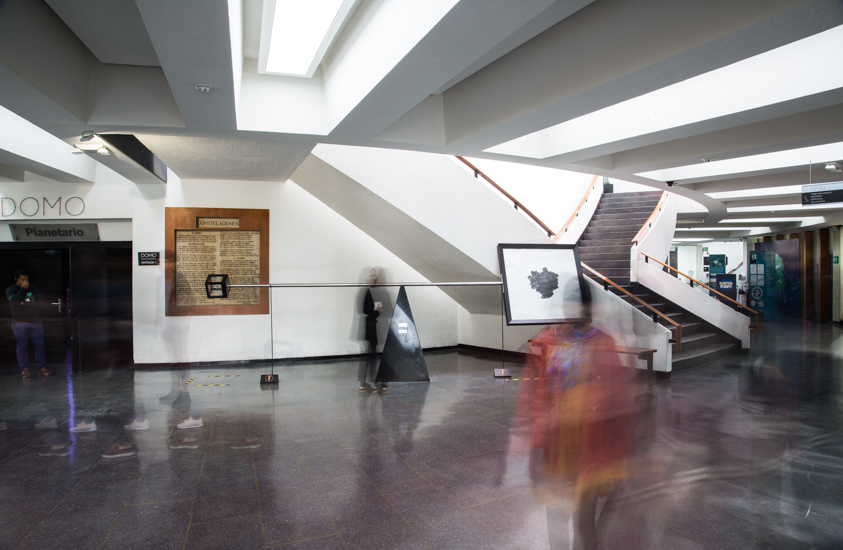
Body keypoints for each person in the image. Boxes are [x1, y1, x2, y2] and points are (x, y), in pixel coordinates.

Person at [515, 278, 631, 550]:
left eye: (581, 306)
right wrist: (532, 438)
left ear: (589, 309)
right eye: (570, 305)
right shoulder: (546, 343)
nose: (574, 312)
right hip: (554, 443)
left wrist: (618, 455)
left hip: (590, 447)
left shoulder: (603, 344)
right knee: (555, 515)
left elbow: (618, 402)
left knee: (584, 522)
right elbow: (531, 397)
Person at [5, 270, 51, 378]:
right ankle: (25, 369)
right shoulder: (10, 290)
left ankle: (42, 367)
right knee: (22, 345)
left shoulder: (34, 289)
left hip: (35, 321)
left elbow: (40, 304)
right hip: (19, 322)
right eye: (22, 280)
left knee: (39, 344)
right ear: (16, 279)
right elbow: (15, 302)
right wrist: (23, 289)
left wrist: (23, 303)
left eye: (27, 279)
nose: (25, 282)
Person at [358, 268, 388, 394]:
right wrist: (377, 312)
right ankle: (373, 383)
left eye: (375, 275)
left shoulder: (369, 290)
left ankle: (366, 384)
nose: (374, 278)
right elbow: (365, 311)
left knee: (370, 356)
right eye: (371, 275)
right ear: (365, 277)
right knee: (370, 357)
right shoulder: (365, 291)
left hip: (370, 328)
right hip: (369, 329)